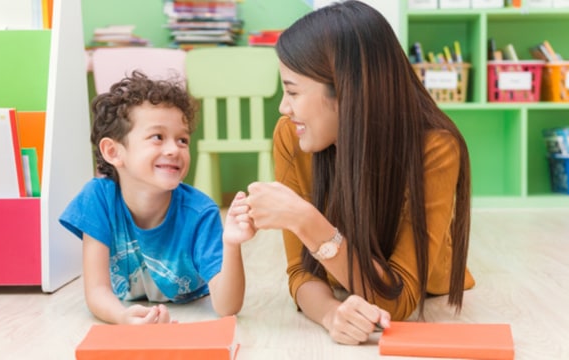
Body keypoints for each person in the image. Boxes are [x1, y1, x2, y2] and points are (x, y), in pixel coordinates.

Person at [244, 0, 475, 345]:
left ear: (345, 93)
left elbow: (398, 299)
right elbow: (300, 273)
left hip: (427, 292)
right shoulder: (291, 136)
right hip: (342, 286)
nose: (283, 107)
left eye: (292, 91)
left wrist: (306, 220)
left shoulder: (435, 149)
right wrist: (329, 312)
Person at [59, 71, 255, 325]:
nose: (174, 149)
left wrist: (231, 244)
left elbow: (228, 307)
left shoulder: (200, 211)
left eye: (182, 140)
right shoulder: (97, 199)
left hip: (190, 305)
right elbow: (96, 291)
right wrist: (121, 316)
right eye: (157, 137)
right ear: (113, 151)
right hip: (127, 304)